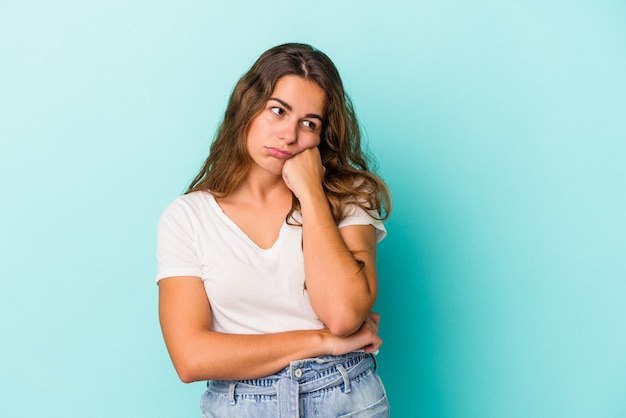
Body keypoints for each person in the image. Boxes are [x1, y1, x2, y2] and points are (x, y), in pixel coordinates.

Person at [156, 42, 391, 417]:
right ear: (248, 108)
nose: (288, 135)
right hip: (240, 404)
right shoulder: (188, 217)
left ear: (321, 136)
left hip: (344, 396)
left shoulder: (348, 196)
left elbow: (344, 315)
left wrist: (312, 192)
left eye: (308, 123)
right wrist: (322, 341)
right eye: (278, 111)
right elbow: (190, 358)